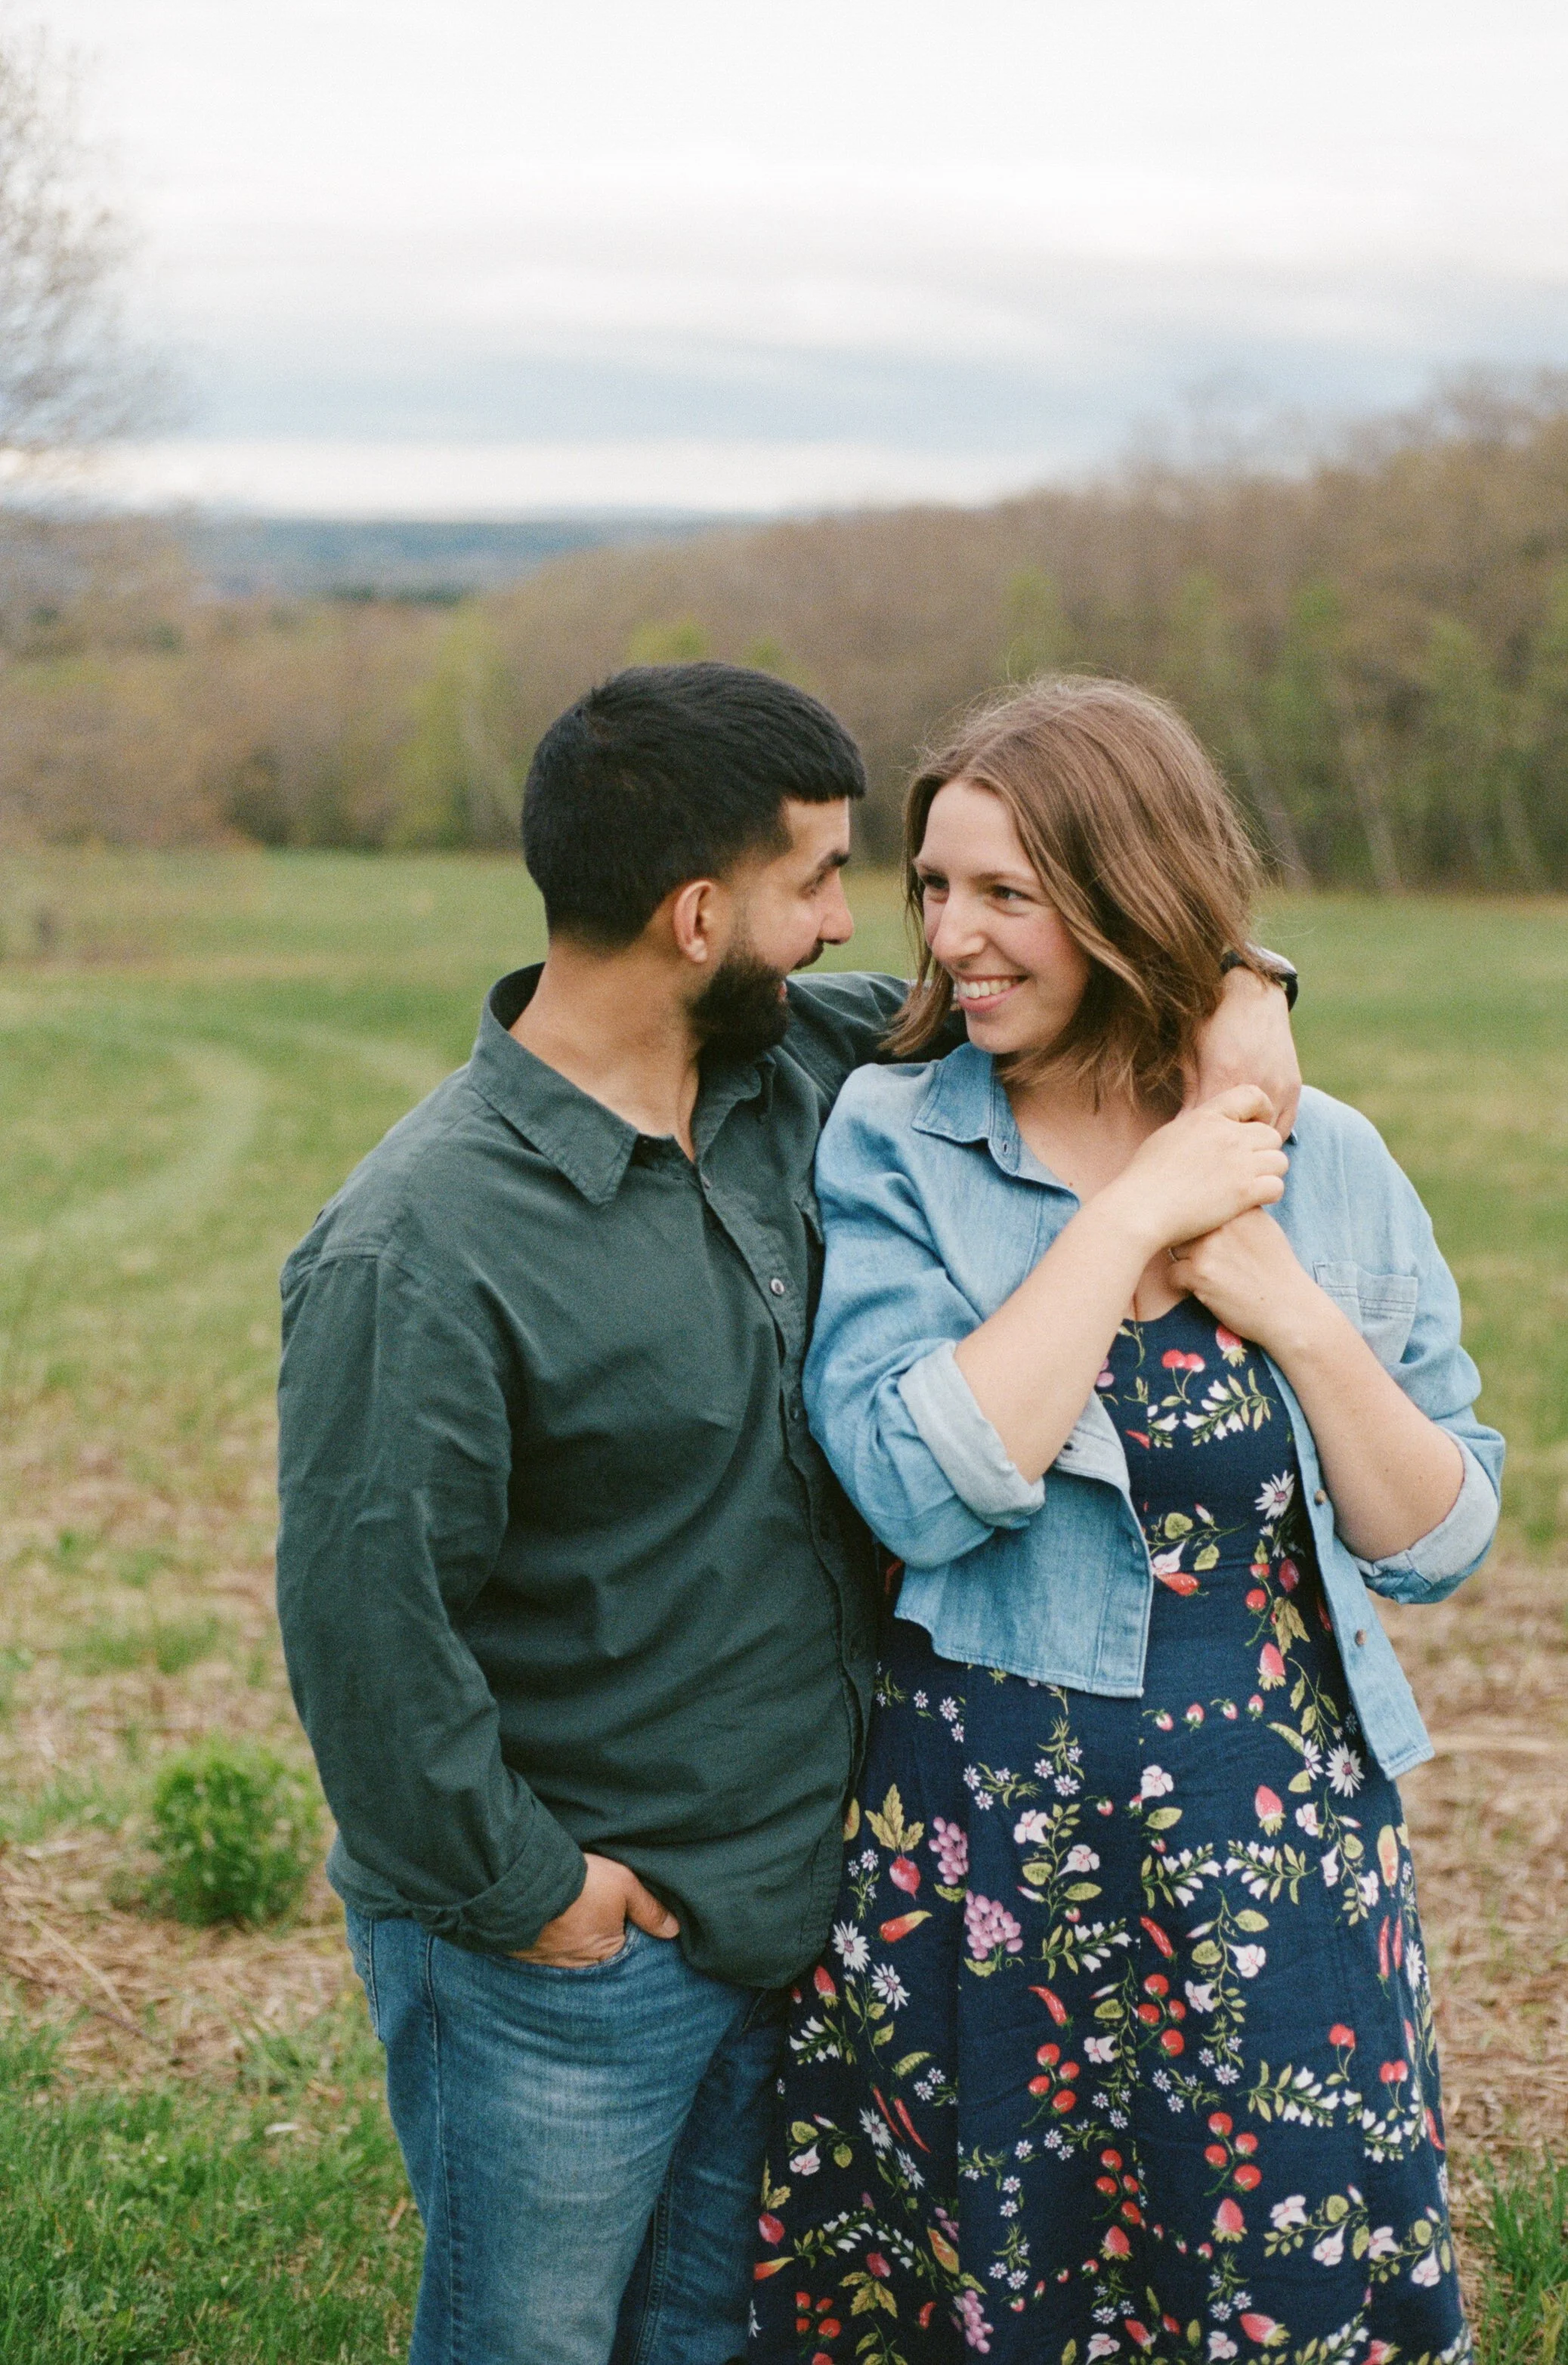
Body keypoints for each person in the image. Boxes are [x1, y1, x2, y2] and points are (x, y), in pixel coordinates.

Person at [274, 663, 1300, 2365]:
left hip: (788, 1906)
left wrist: (1247, 986)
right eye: (819, 880)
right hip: (568, 1953)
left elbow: (1084, 964)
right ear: (696, 913)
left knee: (701, 2334)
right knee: (525, 2337)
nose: (851, 926)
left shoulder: (806, 1066)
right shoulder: (421, 1242)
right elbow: (367, 1632)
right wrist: (545, 1895)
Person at [750, 676, 1501, 2365]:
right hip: (983, 1849)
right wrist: (1138, 1211)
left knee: (1267, 2277)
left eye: (1005, 892)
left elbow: (1440, 1537)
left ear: (1123, 894)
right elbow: (914, 1485)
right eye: (934, 888)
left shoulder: (1329, 1161)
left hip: (1276, 1839)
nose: (951, 938)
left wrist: (1296, 1314)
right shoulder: (898, 1132)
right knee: (1002, 2275)